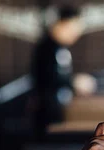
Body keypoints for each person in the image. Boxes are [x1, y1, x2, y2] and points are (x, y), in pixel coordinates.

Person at [30, 5, 95, 139]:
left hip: (58, 112)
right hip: (47, 115)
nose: (76, 34)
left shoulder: (60, 49)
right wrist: (74, 82)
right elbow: (47, 79)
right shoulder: (47, 48)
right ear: (63, 24)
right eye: (73, 28)